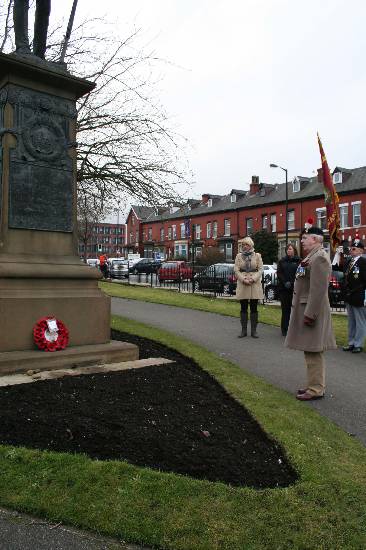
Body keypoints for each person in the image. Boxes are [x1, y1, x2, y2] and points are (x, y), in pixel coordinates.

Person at [285, 221, 336, 401]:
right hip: (308, 310)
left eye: (305, 238)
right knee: (310, 350)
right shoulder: (311, 257)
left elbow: (318, 290)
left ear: (315, 239)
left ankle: (316, 389)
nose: (302, 241)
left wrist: (310, 314)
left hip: (312, 311)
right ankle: (312, 385)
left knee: (314, 350)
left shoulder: (319, 257)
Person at [340, 238, 366, 353]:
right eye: (351, 248)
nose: (352, 250)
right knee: (351, 321)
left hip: (358, 295)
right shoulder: (349, 261)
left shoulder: (363, 262)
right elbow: (343, 274)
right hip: (349, 295)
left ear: (361, 250)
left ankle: (358, 344)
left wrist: (355, 290)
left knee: (360, 321)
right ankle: (351, 342)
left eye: (354, 248)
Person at [234, 237, 264, 338]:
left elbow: (260, 269)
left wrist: (253, 279)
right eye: (243, 245)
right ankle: (243, 330)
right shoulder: (238, 256)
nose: (245, 247)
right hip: (243, 283)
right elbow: (236, 270)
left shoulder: (257, 255)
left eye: (246, 245)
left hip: (254, 284)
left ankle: (254, 331)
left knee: (254, 308)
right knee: (243, 307)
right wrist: (243, 279)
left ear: (251, 245)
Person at [277, 243, 301, 336]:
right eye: (287, 249)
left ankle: (295, 329)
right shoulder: (282, 261)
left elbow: (300, 273)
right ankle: (284, 329)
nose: (288, 251)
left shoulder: (299, 261)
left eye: (290, 249)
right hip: (284, 289)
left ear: (294, 250)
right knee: (285, 309)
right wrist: (284, 282)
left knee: (296, 310)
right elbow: (279, 273)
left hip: (295, 288)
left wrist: (293, 282)